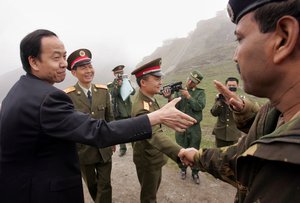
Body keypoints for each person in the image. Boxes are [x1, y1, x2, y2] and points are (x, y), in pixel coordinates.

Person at [0, 29, 196, 203]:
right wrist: (155, 117)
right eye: (56, 58)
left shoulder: (18, 91)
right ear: (33, 61)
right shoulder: (47, 98)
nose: (63, 64)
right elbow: (97, 131)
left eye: (64, 57)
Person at [179, 0, 300, 202]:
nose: (235, 56)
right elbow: (243, 157)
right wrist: (198, 156)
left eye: (240, 39)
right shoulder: (275, 113)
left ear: (283, 38)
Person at [131, 58, 186, 203]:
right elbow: (154, 134)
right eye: (156, 79)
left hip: (153, 156)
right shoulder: (142, 107)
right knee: (149, 197)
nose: (161, 82)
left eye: (160, 78)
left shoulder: (149, 98)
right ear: (143, 82)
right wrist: (181, 152)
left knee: (152, 192)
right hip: (148, 160)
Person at [65, 48, 115, 203]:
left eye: (90, 66)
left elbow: (109, 118)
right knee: (92, 185)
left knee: (105, 184)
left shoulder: (103, 91)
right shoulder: (68, 96)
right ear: (74, 72)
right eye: (83, 68)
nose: (88, 71)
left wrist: (113, 139)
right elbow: (68, 127)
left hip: (104, 148)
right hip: (83, 151)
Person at [162, 70, 205, 184]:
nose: (190, 82)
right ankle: (182, 169)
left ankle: (195, 172)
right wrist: (169, 97)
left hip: (194, 127)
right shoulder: (179, 92)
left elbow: (199, 106)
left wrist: (189, 97)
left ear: (197, 83)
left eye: (193, 81)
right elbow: (174, 106)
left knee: (194, 149)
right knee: (181, 148)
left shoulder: (200, 93)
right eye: (189, 79)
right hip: (181, 126)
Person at [107, 65, 135, 157]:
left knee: (132, 129)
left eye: (122, 72)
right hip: (119, 111)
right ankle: (123, 148)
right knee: (121, 131)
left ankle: (135, 147)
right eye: (118, 73)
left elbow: (133, 92)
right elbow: (113, 94)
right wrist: (118, 86)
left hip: (128, 110)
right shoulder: (111, 84)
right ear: (114, 74)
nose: (120, 74)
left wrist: (128, 84)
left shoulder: (127, 81)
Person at [210, 77, 243, 147]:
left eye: (233, 86)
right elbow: (214, 113)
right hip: (220, 133)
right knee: (219, 154)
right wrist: (220, 101)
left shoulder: (241, 99)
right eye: (229, 85)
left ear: (237, 86)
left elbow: (242, 115)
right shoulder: (220, 98)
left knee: (233, 155)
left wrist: (234, 101)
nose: (231, 87)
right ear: (225, 86)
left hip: (233, 133)